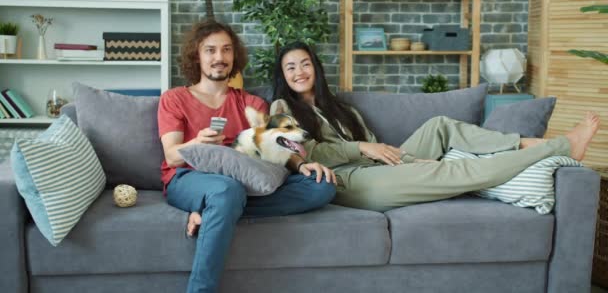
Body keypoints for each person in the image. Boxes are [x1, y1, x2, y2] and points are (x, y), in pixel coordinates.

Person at [270, 41, 600, 212]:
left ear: (316, 68)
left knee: (440, 125)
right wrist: (361, 148)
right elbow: (308, 153)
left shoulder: (340, 108)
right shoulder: (282, 109)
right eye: (290, 68)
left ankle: (524, 143)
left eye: (305, 63)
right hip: (349, 183)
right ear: (282, 76)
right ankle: (561, 146)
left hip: (375, 167)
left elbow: (379, 151)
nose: (299, 72)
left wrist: (410, 161)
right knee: (451, 172)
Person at [157, 22, 336, 293]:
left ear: (234, 56)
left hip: (243, 182)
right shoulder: (174, 99)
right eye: (211, 50)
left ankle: (215, 211)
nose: (220, 57)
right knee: (226, 190)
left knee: (322, 186)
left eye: (227, 50)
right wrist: (198, 143)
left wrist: (302, 163)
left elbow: (272, 147)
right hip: (188, 178)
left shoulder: (251, 104)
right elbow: (172, 156)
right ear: (197, 55)